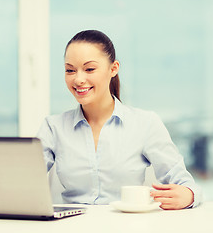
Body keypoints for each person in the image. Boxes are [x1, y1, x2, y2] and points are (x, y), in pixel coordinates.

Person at [37, 30, 202, 210]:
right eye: (70, 70)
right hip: (73, 225)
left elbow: (185, 183)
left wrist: (188, 195)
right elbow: (21, 181)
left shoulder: (145, 123)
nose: (78, 79)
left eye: (89, 69)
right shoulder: (53, 127)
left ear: (113, 69)